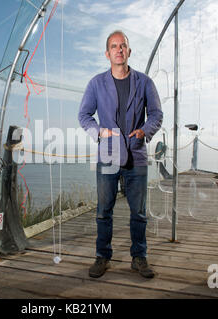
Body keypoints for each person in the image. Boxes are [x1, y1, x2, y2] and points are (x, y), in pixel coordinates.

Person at [78, 30, 163, 279]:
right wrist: (98, 132)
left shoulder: (145, 82)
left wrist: (145, 131)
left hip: (136, 156)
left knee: (138, 212)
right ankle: (102, 256)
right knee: (104, 210)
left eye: (122, 45)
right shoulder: (96, 83)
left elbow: (156, 114)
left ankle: (139, 257)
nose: (118, 50)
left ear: (129, 51)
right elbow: (84, 115)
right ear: (107, 53)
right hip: (108, 156)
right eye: (114, 46)